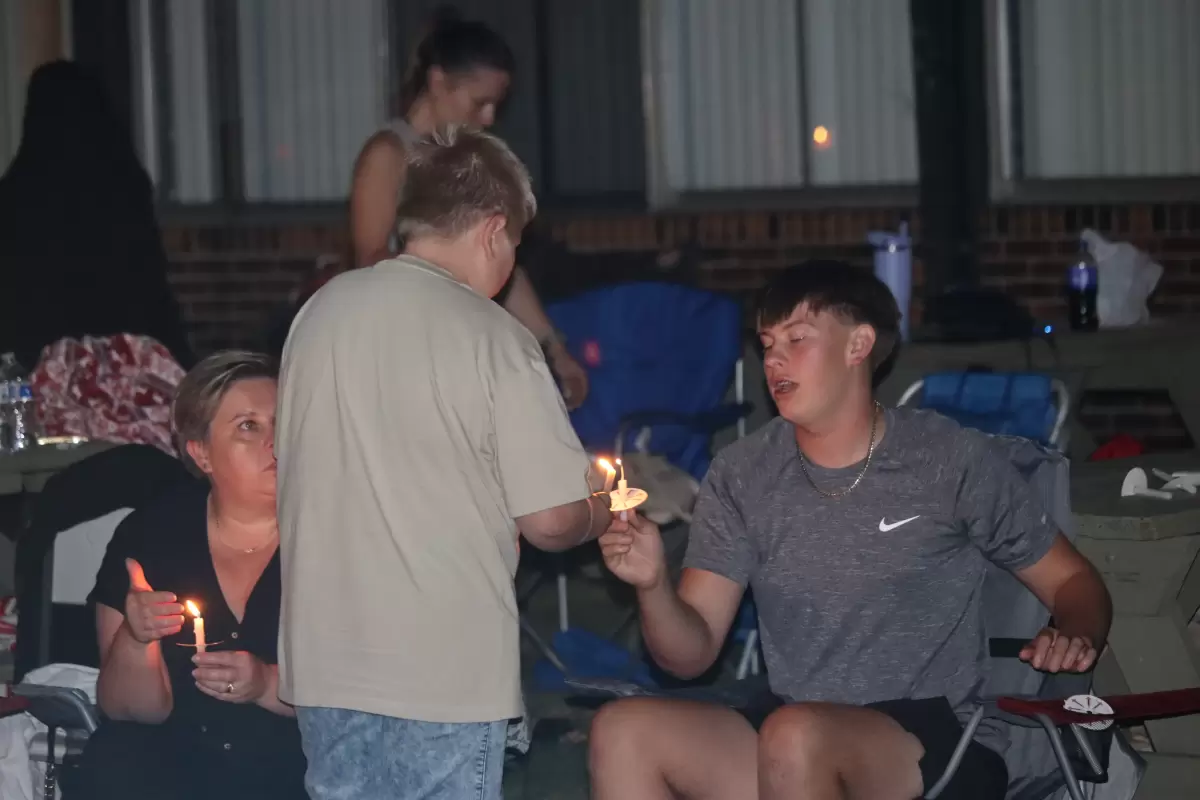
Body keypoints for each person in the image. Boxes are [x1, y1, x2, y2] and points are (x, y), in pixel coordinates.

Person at [588, 261, 1113, 800]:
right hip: (792, 725)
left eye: (797, 338)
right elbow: (690, 654)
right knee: (624, 730)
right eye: (767, 344)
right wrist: (652, 585)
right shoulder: (743, 473)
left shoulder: (946, 459)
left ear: (858, 344)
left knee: (796, 735)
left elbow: (1075, 583)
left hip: (935, 737)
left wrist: (1075, 631)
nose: (774, 359)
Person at [276, 126, 612, 800]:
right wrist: (601, 510)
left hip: (325, 662)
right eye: (514, 245)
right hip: (443, 671)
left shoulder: (319, 314)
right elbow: (550, 521)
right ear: (492, 232)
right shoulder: (494, 336)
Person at [72, 351, 305, 799]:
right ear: (201, 453)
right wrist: (136, 639)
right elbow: (129, 711)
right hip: (174, 766)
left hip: (297, 768)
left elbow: (366, 697)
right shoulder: (153, 534)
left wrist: (267, 684)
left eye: (283, 423)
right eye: (248, 426)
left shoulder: (334, 535)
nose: (275, 443)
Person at [348, 5, 589, 408]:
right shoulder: (388, 155)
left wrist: (554, 348)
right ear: (438, 82)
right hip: (401, 355)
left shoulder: (470, 162)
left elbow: (501, 260)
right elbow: (369, 261)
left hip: (457, 348)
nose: (489, 117)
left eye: (497, 104)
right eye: (480, 102)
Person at [0, 61, 194, 370]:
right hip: (121, 358)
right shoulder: (122, 182)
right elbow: (147, 280)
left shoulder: (18, 191)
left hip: (38, 358)